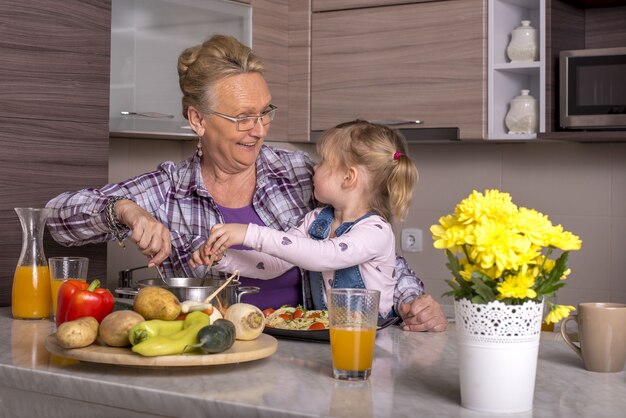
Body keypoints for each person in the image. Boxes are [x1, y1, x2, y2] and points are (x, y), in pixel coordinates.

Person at [45, 34, 447, 331]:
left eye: (264, 112)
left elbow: (365, 250)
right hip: (213, 352)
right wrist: (126, 210)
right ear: (198, 120)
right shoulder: (167, 189)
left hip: (311, 349)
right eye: (242, 117)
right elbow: (57, 219)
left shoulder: (301, 174)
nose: (258, 130)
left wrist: (414, 299)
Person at [190, 120, 417, 319]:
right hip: (331, 336)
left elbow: (322, 255)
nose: (314, 168)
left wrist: (250, 233)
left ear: (348, 177)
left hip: (373, 341)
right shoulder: (316, 219)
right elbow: (275, 263)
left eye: (323, 162)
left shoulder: (376, 231)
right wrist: (223, 259)